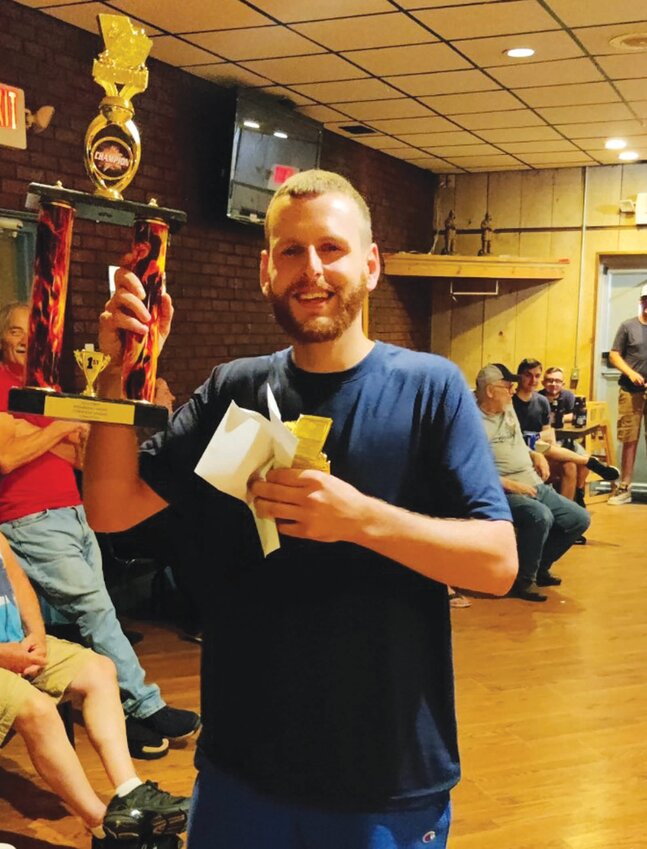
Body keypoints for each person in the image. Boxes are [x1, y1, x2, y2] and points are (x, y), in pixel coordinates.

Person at [83, 170, 518, 849]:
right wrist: (119, 374)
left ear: (369, 264)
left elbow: (497, 562)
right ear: (265, 269)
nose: (310, 269)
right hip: (239, 774)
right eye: (290, 251)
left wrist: (357, 519)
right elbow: (111, 507)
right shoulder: (237, 388)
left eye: (331, 249)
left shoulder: (427, 388)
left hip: (383, 780)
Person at [0, 302, 200, 760]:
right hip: (27, 518)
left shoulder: (42, 389)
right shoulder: (5, 388)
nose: (25, 339)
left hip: (73, 512)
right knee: (95, 612)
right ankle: (146, 705)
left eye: (33, 331)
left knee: (98, 613)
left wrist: (106, 421)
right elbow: (6, 458)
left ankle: (123, 714)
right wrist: (67, 423)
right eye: (15, 330)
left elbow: (77, 457)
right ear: (3, 337)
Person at [0, 530, 190, 846]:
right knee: (37, 708)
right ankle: (106, 829)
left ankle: (131, 793)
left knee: (99, 670)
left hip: (18, 644)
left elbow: (17, 579)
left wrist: (36, 635)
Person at [476, 363, 590, 602]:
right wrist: (513, 486)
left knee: (579, 519)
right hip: (501, 490)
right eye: (507, 387)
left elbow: (520, 445)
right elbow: (471, 472)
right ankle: (523, 580)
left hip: (532, 482)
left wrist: (535, 454)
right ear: (489, 391)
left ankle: (539, 567)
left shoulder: (507, 410)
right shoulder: (471, 422)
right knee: (540, 516)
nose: (511, 391)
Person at [607, 282, 647, 504]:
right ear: (642, 302)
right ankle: (625, 486)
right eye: (646, 300)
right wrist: (631, 373)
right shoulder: (627, 326)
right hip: (631, 391)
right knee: (629, 438)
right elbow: (614, 355)